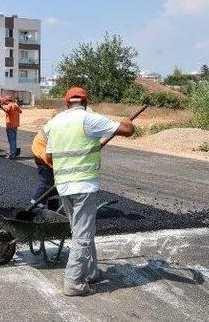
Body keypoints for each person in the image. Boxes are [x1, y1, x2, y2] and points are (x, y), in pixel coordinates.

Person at [45, 87, 134, 296]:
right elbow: (128, 130)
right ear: (85, 102)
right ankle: (74, 283)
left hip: (64, 187)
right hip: (83, 186)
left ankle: (91, 272)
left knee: (82, 231)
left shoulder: (54, 123)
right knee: (82, 235)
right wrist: (126, 119)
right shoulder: (88, 119)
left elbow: (49, 159)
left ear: (67, 103)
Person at [30, 117, 60, 211]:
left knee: (55, 182)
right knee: (46, 181)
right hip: (42, 153)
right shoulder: (58, 129)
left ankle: (53, 207)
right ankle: (35, 206)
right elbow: (48, 156)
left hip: (47, 151)